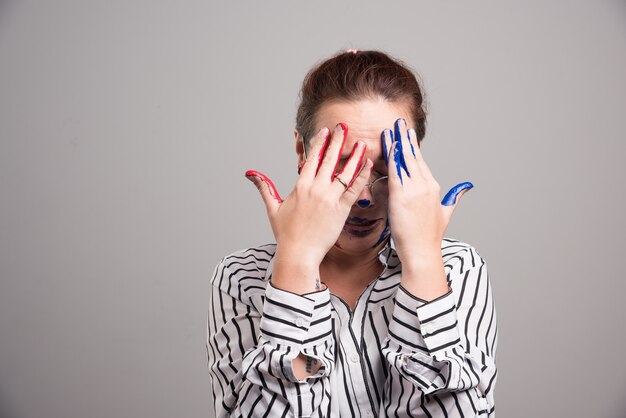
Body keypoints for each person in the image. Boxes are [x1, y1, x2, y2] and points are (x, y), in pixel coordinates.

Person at [206, 50, 497, 417]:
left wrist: (423, 263)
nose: (362, 196)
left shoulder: (457, 269)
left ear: (416, 159)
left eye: (386, 164)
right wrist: (296, 262)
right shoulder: (242, 278)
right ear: (301, 150)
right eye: (341, 164)